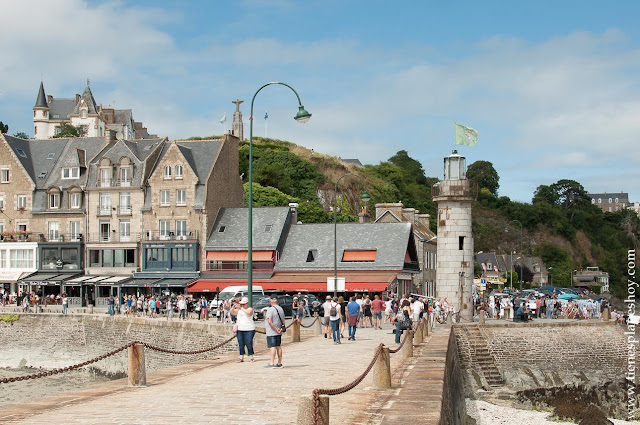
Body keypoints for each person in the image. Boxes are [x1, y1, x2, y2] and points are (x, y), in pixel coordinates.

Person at [264, 295, 285, 368]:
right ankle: (279, 362)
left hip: (271, 331)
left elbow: (269, 321)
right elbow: (283, 320)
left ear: (270, 301)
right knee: (278, 346)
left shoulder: (270, 309)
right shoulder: (280, 309)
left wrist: (275, 329)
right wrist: (280, 328)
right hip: (279, 331)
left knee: (272, 347)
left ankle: (271, 363)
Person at [232, 297, 255, 362]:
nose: (242, 305)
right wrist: (233, 307)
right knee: (241, 343)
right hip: (240, 328)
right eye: (241, 304)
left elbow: (249, 313)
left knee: (248, 342)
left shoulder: (250, 309)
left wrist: (241, 308)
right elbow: (232, 312)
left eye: (244, 304)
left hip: (249, 328)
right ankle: (241, 357)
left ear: (247, 304)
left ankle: (251, 356)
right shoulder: (239, 310)